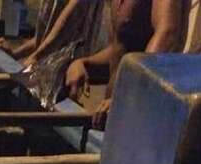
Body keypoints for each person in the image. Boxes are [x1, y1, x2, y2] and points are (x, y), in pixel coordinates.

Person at [65, 0, 185, 129]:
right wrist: (85, 64)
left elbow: (167, 33)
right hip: (112, 113)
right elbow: (121, 50)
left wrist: (128, 95)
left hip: (139, 118)